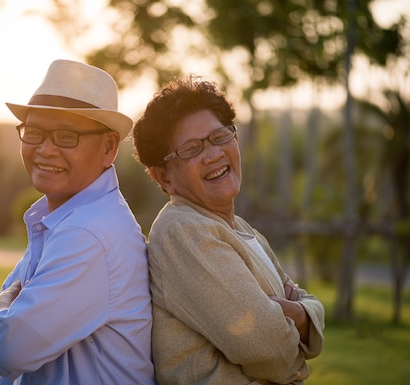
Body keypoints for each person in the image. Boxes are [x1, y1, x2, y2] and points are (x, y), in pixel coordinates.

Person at [133, 76, 325, 385]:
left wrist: (297, 312)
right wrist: (299, 318)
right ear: (162, 178)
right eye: (191, 149)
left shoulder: (241, 230)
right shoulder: (183, 232)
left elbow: (305, 302)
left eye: (220, 136)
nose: (213, 154)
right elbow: (270, 348)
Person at [0, 59, 155, 385]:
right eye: (34, 132)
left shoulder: (88, 234)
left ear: (108, 148)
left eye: (66, 136)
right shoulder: (68, 218)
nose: (45, 150)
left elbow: (7, 350)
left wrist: (2, 304)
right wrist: (8, 312)